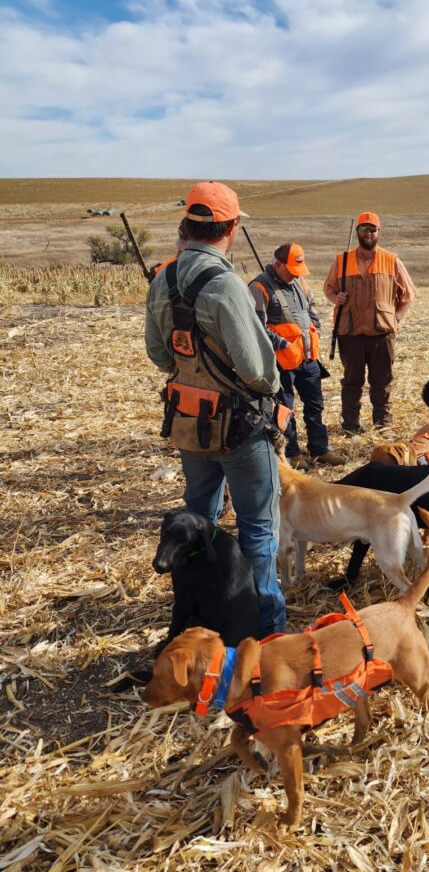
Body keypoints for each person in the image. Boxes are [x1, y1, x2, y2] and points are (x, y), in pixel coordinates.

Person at [145, 181, 286, 636]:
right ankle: (264, 632)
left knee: (198, 525)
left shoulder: (163, 279)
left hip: (189, 423)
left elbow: (158, 354)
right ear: (229, 228)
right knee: (258, 532)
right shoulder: (227, 285)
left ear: (187, 224)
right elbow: (258, 371)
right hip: (242, 431)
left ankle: (197, 620)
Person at [249, 243, 345, 468]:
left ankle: (319, 450)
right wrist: (282, 344)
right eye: (291, 269)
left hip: (308, 357)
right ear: (278, 264)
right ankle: (293, 454)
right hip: (281, 362)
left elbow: (311, 309)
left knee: (315, 405)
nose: (295, 275)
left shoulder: (299, 281)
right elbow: (256, 326)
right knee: (285, 409)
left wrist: (316, 333)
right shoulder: (259, 286)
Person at [323, 211, 416, 434]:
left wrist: (396, 318)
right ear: (357, 232)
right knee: (352, 383)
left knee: (382, 383)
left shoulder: (391, 260)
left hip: (381, 334)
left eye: (372, 229)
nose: (368, 233)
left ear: (379, 232)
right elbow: (328, 288)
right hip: (350, 333)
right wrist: (337, 298)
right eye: (364, 229)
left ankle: (383, 426)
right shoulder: (342, 260)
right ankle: (351, 426)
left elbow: (409, 295)